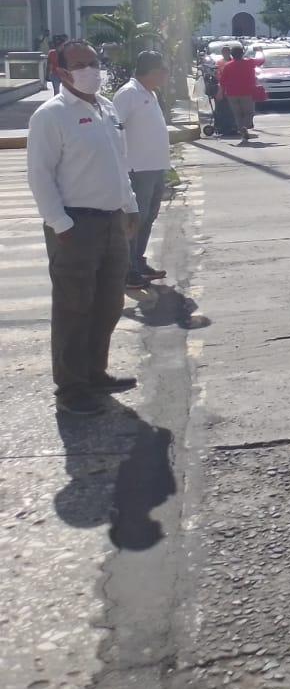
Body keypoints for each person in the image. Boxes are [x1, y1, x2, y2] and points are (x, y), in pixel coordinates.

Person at [26, 39, 139, 416]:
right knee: (74, 308)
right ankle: (72, 388)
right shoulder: (51, 115)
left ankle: (95, 372)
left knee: (108, 303)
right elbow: (40, 176)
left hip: (111, 221)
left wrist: (130, 206)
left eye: (95, 61)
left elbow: (118, 164)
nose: (92, 69)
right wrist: (60, 223)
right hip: (75, 226)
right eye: (81, 64)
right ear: (61, 71)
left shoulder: (105, 108)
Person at [113, 50, 171, 287]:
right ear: (152, 71)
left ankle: (137, 261)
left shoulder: (149, 93)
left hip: (156, 167)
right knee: (135, 219)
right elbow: (115, 128)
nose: (166, 75)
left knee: (149, 217)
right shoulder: (129, 93)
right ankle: (127, 270)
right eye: (163, 71)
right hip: (138, 168)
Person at [215, 43, 263, 144]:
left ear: (232, 54)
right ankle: (245, 127)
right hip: (246, 92)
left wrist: (220, 93)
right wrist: (259, 51)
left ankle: (242, 130)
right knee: (249, 113)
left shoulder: (228, 66)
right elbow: (261, 60)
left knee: (237, 114)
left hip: (232, 93)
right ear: (242, 53)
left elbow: (222, 81)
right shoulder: (249, 63)